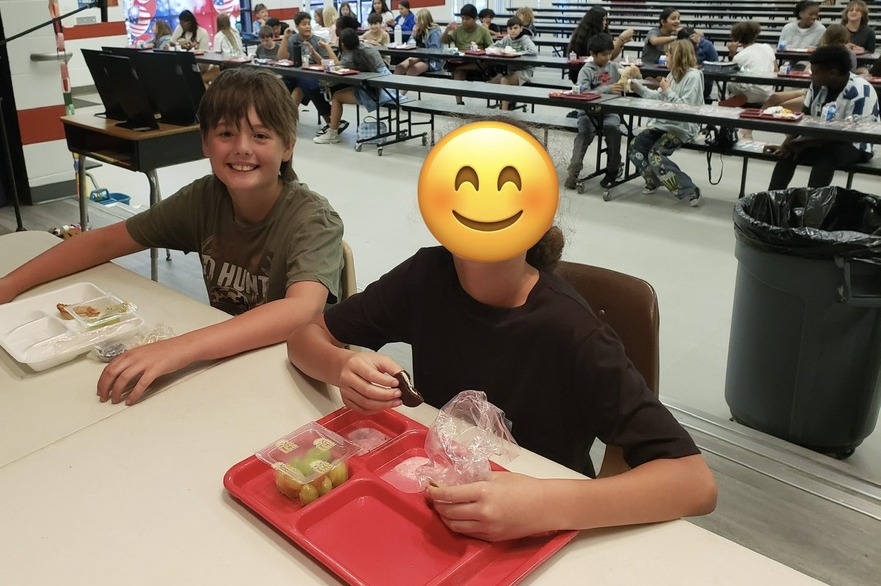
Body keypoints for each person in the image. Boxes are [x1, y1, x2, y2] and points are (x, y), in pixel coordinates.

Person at [287, 127, 717, 541]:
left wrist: (547, 505)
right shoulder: (425, 276)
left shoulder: (572, 330)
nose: (484, 200)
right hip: (442, 502)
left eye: (507, 184)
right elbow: (305, 338)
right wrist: (342, 365)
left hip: (540, 524)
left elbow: (694, 483)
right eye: (466, 182)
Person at [0, 68, 344, 406]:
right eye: (226, 133)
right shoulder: (204, 198)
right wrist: (11, 282)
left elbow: (300, 312)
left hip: (299, 379)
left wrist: (180, 347)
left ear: (288, 146)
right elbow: (105, 241)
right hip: (229, 364)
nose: (242, 148)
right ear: (205, 142)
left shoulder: (312, 220)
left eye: (261, 136)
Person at [766, 44, 880, 190]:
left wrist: (804, 144)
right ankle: (771, 202)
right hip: (822, 137)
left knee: (826, 159)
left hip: (856, 143)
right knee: (788, 154)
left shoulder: (861, 91)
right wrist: (786, 144)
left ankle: (813, 207)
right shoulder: (818, 84)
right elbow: (804, 117)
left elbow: (850, 134)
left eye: (815, 73)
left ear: (833, 72)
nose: (811, 76)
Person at [628, 38, 704, 206]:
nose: (665, 57)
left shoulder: (693, 76)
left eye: (668, 54)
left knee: (656, 155)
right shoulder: (673, 74)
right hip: (664, 124)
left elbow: (686, 108)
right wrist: (638, 88)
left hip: (682, 127)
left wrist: (668, 90)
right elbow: (659, 98)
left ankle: (690, 189)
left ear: (678, 56)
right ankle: (653, 180)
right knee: (635, 147)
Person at [315, 29, 397, 145]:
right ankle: (333, 130)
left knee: (337, 97)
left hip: (379, 90)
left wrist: (327, 47)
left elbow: (336, 66)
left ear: (343, 44)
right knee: (340, 91)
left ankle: (332, 134)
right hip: (388, 85)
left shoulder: (350, 56)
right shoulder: (367, 47)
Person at [565, 33, 625, 190]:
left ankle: (613, 169)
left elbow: (627, 80)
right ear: (593, 54)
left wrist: (632, 77)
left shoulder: (614, 67)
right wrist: (607, 88)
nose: (607, 57)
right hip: (588, 113)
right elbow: (584, 92)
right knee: (583, 135)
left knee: (613, 130)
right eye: (603, 54)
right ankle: (574, 171)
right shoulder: (586, 70)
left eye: (609, 54)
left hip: (610, 111)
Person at [278, 11, 338, 128]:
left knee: (306, 84)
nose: (307, 27)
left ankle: (285, 123)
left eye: (308, 23)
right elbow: (281, 58)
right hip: (295, 75)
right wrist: (285, 38)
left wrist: (313, 52)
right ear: (297, 26)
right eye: (303, 24)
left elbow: (326, 64)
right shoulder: (292, 39)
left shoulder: (319, 41)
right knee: (280, 85)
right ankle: (284, 121)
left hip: (313, 76)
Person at [440, 3, 494, 104]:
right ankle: (459, 103)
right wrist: (447, 31)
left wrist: (479, 51)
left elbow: (492, 48)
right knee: (458, 73)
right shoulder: (457, 30)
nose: (464, 21)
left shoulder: (483, 31)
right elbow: (443, 41)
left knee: (460, 68)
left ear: (475, 19)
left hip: (478, 62)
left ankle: (459, 68)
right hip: (462, 61)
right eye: (462, 18)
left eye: (467, 19)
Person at [566, 7, 634, 83]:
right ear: (596, 22)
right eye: (603, 20)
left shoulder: (603, 33)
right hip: (586, 74)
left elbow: (610, 55)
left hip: (600, 72)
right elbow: (603, 56)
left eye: (606, 19)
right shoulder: (587, 37)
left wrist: (621, 42)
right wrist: (621, 39)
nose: (605, 22)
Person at [488, 15, 537, 111]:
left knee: (504, 81)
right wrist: (497, 50)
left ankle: (504, 111)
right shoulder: (507, 39)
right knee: (490, 83)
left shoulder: (525, 38)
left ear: (521, 28)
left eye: (515, 28)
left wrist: (517, 53)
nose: (513, 31)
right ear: (507, 29)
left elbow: (533, 51)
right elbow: (494, 46)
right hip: (511, 70)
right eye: (510, 28)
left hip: (524, 71)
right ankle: (508, 103)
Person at [723, 20, 777, 107]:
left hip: (750, 93)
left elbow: (731, 73)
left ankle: (732, 98)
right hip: (768, 91)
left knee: (729, 82)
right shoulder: (768, 47)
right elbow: (776, 70)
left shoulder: (739, 56)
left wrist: (732, 54)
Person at [394, 9, 443, 79]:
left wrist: (418, 59)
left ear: (424, 21)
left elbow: (434, 52)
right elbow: (408, 45)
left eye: (418, 21)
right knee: (400, 67)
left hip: (432, 61)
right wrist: (414, 35)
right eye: (416, 21)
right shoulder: (418, 30)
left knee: (413, 70)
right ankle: (394, 89)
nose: (416, 23)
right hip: (417, 56)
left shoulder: (434, 32)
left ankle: (401, 90)